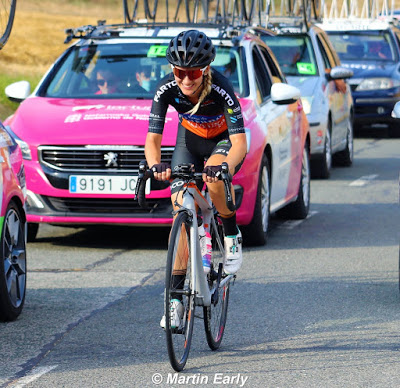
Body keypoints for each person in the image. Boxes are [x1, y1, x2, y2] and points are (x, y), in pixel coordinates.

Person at [144, 30, 247, 328]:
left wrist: (225, 166)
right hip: (188, 142)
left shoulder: (222, 89)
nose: (186, 80)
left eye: (194, 72)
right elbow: (153, 139)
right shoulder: (165, 90)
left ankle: (230, 235)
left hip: (222, 142)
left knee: (214, 181)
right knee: (181, 204)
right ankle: (175, 300)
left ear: (206, 70)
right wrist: (155, 166)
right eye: (179, 72)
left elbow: (240, 142)